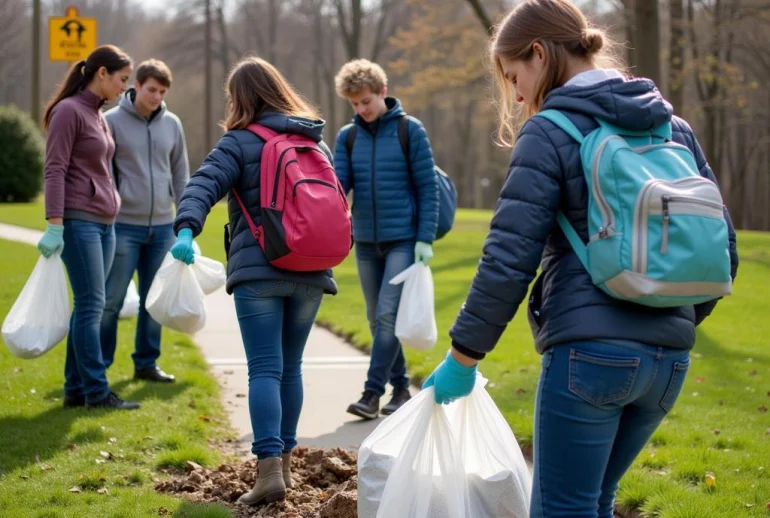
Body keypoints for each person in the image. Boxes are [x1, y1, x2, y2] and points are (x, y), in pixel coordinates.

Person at [421, 1, 739, 516]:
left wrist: (463, 359)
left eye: (514, 75)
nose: (518, 92)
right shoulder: (672, 128)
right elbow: (722, 249)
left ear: (541, 53)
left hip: (590, 359)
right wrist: (671, 318)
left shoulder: (549, 131)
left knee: (564, 508)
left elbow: (508, 258)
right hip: (669, 363)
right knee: (597, 502)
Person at [170, 57, 337, 507]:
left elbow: (203, 184)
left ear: (240, 99)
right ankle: (283, 465)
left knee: (264, 368)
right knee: (291, 367)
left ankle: (268, 473)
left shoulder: (239, 142)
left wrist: (187, 227)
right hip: (311, 272)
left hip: (260, 270)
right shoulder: (313, 141)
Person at [333, 59, 439, 420]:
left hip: (404, 240)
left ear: (383, 91)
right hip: (365, 241)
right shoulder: (347, 137)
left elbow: (428, 189)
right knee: (378, 321)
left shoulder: (411, 131)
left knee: (388, 314)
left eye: (366, 101)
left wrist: (424, 239)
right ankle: (401, 388)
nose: (362, 110)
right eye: (354, 104)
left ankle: (371, 393)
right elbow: (338, 187)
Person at [39, 44, 141, 410]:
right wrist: (55, 224)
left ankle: (75, 389)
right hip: (79, 220)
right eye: (122, 80)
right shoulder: (69, 112)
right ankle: (97, 392)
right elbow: (54, 169)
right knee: (91, 305)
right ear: (102, 74)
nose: (124, 88)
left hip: (104, 222)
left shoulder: (98, 114)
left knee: (88, 307)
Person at [100, 59, 190, 383]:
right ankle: (100, 368)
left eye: (162, 91)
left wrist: (184, 222)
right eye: (151, 89)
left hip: (164, 226)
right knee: (111, 300)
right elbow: (104, 172)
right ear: (136, 85)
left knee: (155, 301)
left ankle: (146, 364)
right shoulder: (110, 121)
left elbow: (180, 173)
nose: (156, 97)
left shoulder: (173, 124)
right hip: (124, 225)